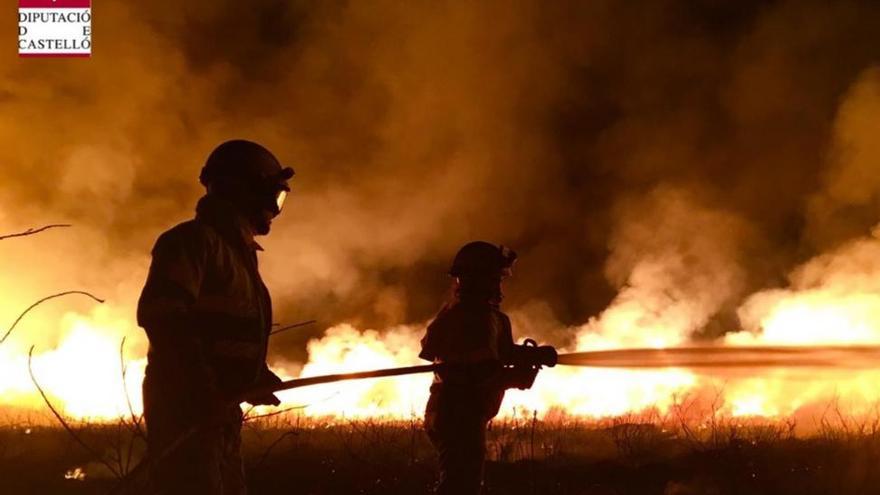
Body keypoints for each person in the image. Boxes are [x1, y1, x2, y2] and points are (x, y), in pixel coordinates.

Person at [137, 139, 294, 494]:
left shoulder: (237, 254)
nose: (274, 208)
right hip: (186, 406)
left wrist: (254, 376)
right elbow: (164, 317)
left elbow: (223, 330)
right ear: (244, 190)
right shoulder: (192, 243)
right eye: (273, 195)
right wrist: (200, 388)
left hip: (217, 406)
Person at [420, 241, 557, 495]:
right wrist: (518, 375)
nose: (499, 286)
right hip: (458, 413)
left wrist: (534, 354)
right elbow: (481, 372)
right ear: (478, 280)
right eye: (495, 279)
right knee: (459, 487)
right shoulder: (469, 318)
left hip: (458, 412)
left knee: (463, 482)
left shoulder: (480, 315)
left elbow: (499, 353)